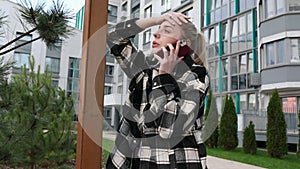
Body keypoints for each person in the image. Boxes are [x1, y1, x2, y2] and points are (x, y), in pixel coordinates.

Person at [105, 12, 210, 169]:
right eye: (158, 29)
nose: (156, 34)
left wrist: (164, 78)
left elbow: (167, 129)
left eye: (166, 30)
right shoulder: (143, 71)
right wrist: (156, 19)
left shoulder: (195, 76)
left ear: (184, 44)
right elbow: (113, 36)